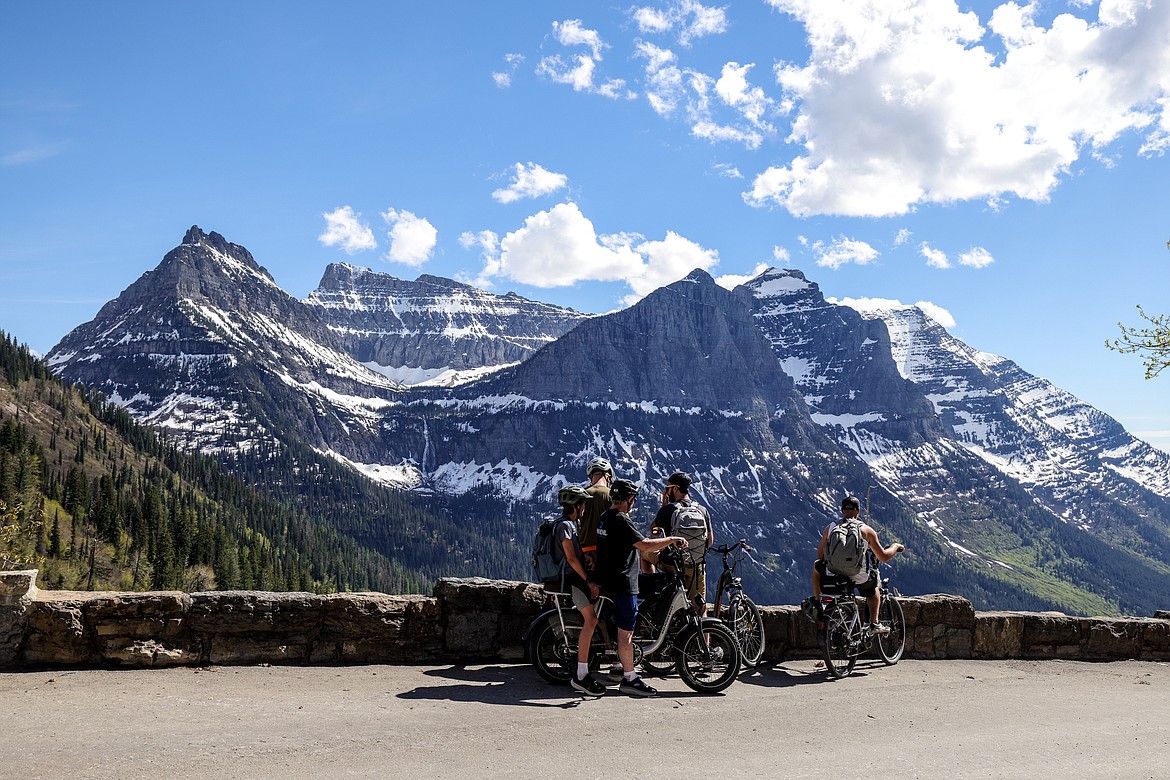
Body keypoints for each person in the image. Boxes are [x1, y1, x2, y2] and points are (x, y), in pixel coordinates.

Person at [595, 478, 687, 697]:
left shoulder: (604, 518)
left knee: (619, 629)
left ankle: (621, 668)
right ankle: (630, 678)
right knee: (626, 634)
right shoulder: (621, 520)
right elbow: (644, 545)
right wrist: (672, 539)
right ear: (629, 500)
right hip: (623, 584)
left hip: (607, 581)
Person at [811, 495, 905, 634]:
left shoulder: (830, 528)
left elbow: (820, 556)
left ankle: (818, 603)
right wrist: (895, 546)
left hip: (834, 572)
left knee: (816, 566)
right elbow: (884, 557)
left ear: (842, 510)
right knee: (874, 589)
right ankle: (874, 624)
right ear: (858, 511)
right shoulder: (866, 530)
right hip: (857, 573)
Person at [551, 485, 606, 697]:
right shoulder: (565, 525)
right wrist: (588, 580)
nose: (584, 508)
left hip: (573, 577)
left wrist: (587, 559)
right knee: (590, 620)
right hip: (572, 580)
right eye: (583, 504)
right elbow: (570, 559)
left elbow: (575, 555)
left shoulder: (568, 524)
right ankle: (581, 675)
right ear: (577, 506)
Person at [649, 471, 713, 616]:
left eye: (668, 488)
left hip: (673, 565)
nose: (666, 491)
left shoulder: (668, 510)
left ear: (675, 489)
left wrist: (663, 507)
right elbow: (709, 541)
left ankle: (652, 594)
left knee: (644, 554)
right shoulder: (702, 510)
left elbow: (653, 530)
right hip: (697, 566)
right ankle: (704, 638)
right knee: (701, 608)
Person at [578, 456, 613, 568]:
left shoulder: (580, 496)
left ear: (591, 476)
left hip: (583, 556)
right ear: (608, 477)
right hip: (608, 555)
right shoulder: (612, 496)